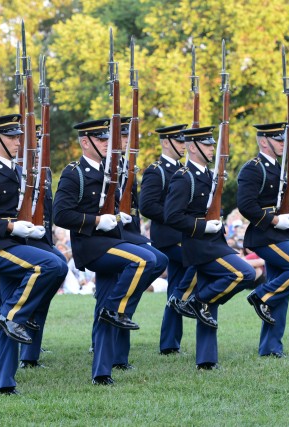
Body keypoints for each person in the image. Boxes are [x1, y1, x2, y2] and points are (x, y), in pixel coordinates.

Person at [0, 114, 66, 394]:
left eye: (19, 136)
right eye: (11, 137)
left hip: (16, 244)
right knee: (51, 266)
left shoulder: (18, 172)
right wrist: (10, 226)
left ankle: (4, 380)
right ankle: (14, 316)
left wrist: (29, 227)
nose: (18, 141)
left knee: (9, 305)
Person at [53, 118, 158, 385]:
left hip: (115, 240)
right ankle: (115, 309)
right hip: (92, 245)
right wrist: (97, 221)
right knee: (145, 260)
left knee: (153, 263)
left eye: (108, 139)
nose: (108, 144)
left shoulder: (112, 170)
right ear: (86, 142)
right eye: (102, 140)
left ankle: (102, 371)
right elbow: (61, 214)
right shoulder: (74, 172)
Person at [164, 126, 255, 370]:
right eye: (207, 145)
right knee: (244, 274)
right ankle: (197, 301)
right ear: (193, 147)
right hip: (200, 246)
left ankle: (206, 359)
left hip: (214, 243)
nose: (212, 148)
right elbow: (172, 216)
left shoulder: (210, 175)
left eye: (212, 144)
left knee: (210, 300)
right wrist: (203, 226)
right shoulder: (184, 177)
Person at [237, 122, 289, 358]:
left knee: (282, 290)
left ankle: (271, 348)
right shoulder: (253, 168)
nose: (284, 144)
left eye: (284, 140)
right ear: (264, 142)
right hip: (265, 235)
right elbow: (246, 205)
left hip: (281, 234)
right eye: (279, 140)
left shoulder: (279, 168)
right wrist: (274, 220)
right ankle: (260, 295)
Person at [113, 119, 168, 369]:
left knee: (159, 261)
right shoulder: (109, 166)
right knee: (113, 293)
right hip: (112, 233)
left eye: (128, 136)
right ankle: (113, 352)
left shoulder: (126, 164)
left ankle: (127, 305)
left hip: (131, 231)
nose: (126, 141)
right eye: (121, 136)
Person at [140, 124, 199, 356]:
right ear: (166, 143)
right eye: (179, 141)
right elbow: (147, 205)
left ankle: (169, 344)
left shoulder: (185, 170)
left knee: (175, 285)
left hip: (183, 234)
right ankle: (180, 301)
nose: (184, 145)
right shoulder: (156, 170)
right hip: (169, 236)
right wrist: (175, 216)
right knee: (199, 261)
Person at [19, 125, 69, 369]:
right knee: (53, 268)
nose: (37, 149)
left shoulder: (45, 172)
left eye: (40, 144)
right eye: (34, 144)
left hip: (42, 240)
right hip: (23, 239)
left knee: (60, 269)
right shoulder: (20, 169)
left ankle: (30, 355)